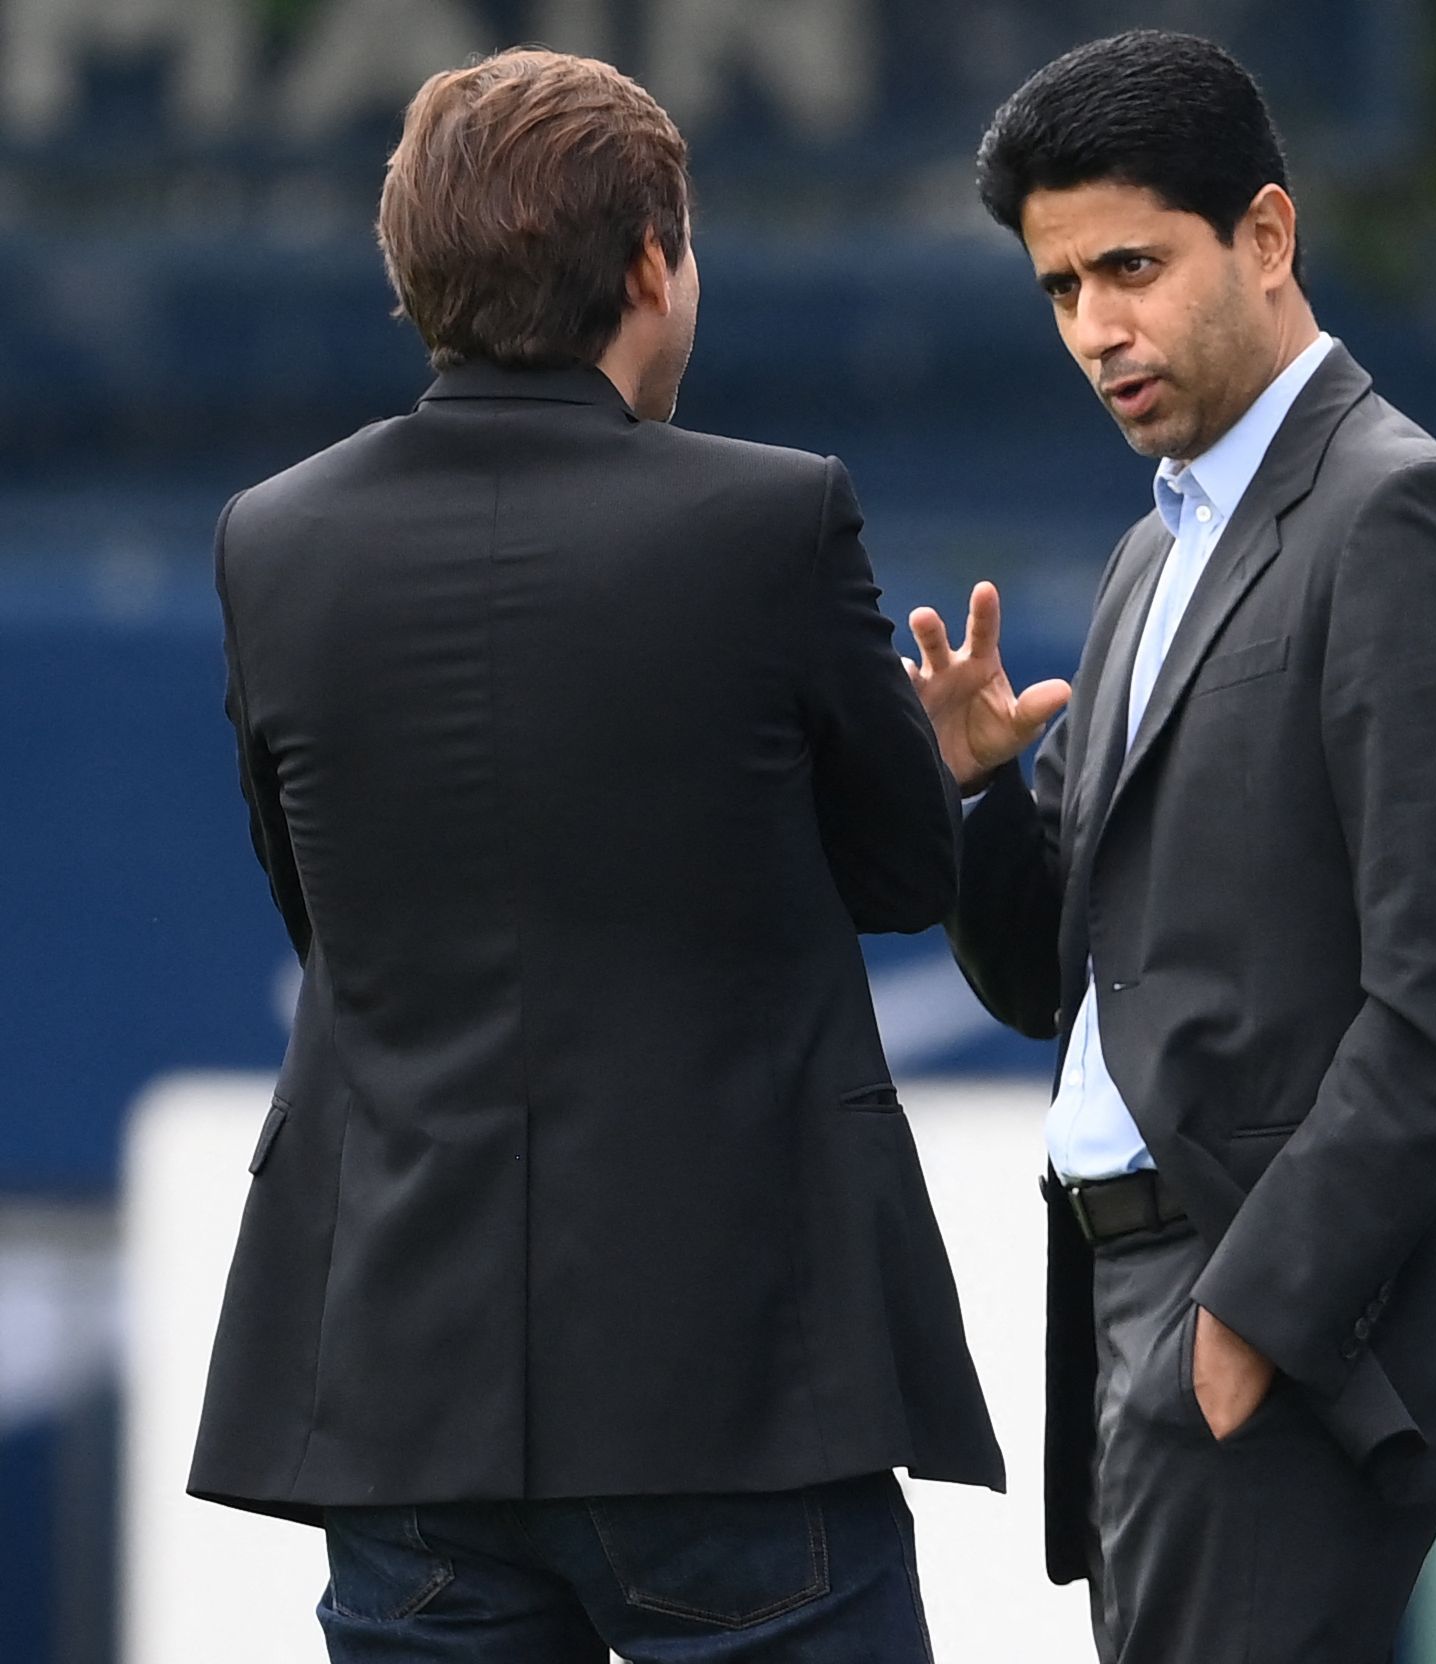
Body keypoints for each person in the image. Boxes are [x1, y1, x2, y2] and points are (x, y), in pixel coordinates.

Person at [189, 48, 1001, 1663]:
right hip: (739, 1396)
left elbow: (327, 913)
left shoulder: (271, 540)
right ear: (649, 262)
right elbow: (906, 878)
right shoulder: (775, 521)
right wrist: (947, 757)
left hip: (406, 1416)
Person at [906, 30, 1436, 1664]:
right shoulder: (1151, 549)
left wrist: (1259, 1314)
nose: (1098, 329)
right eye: (1061, 290)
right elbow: (1047, 979)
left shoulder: (1400, 515)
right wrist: (986, 792)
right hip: (1129, 1298)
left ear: (1267, 236)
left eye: (1132, 266)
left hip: (1266, 1318)